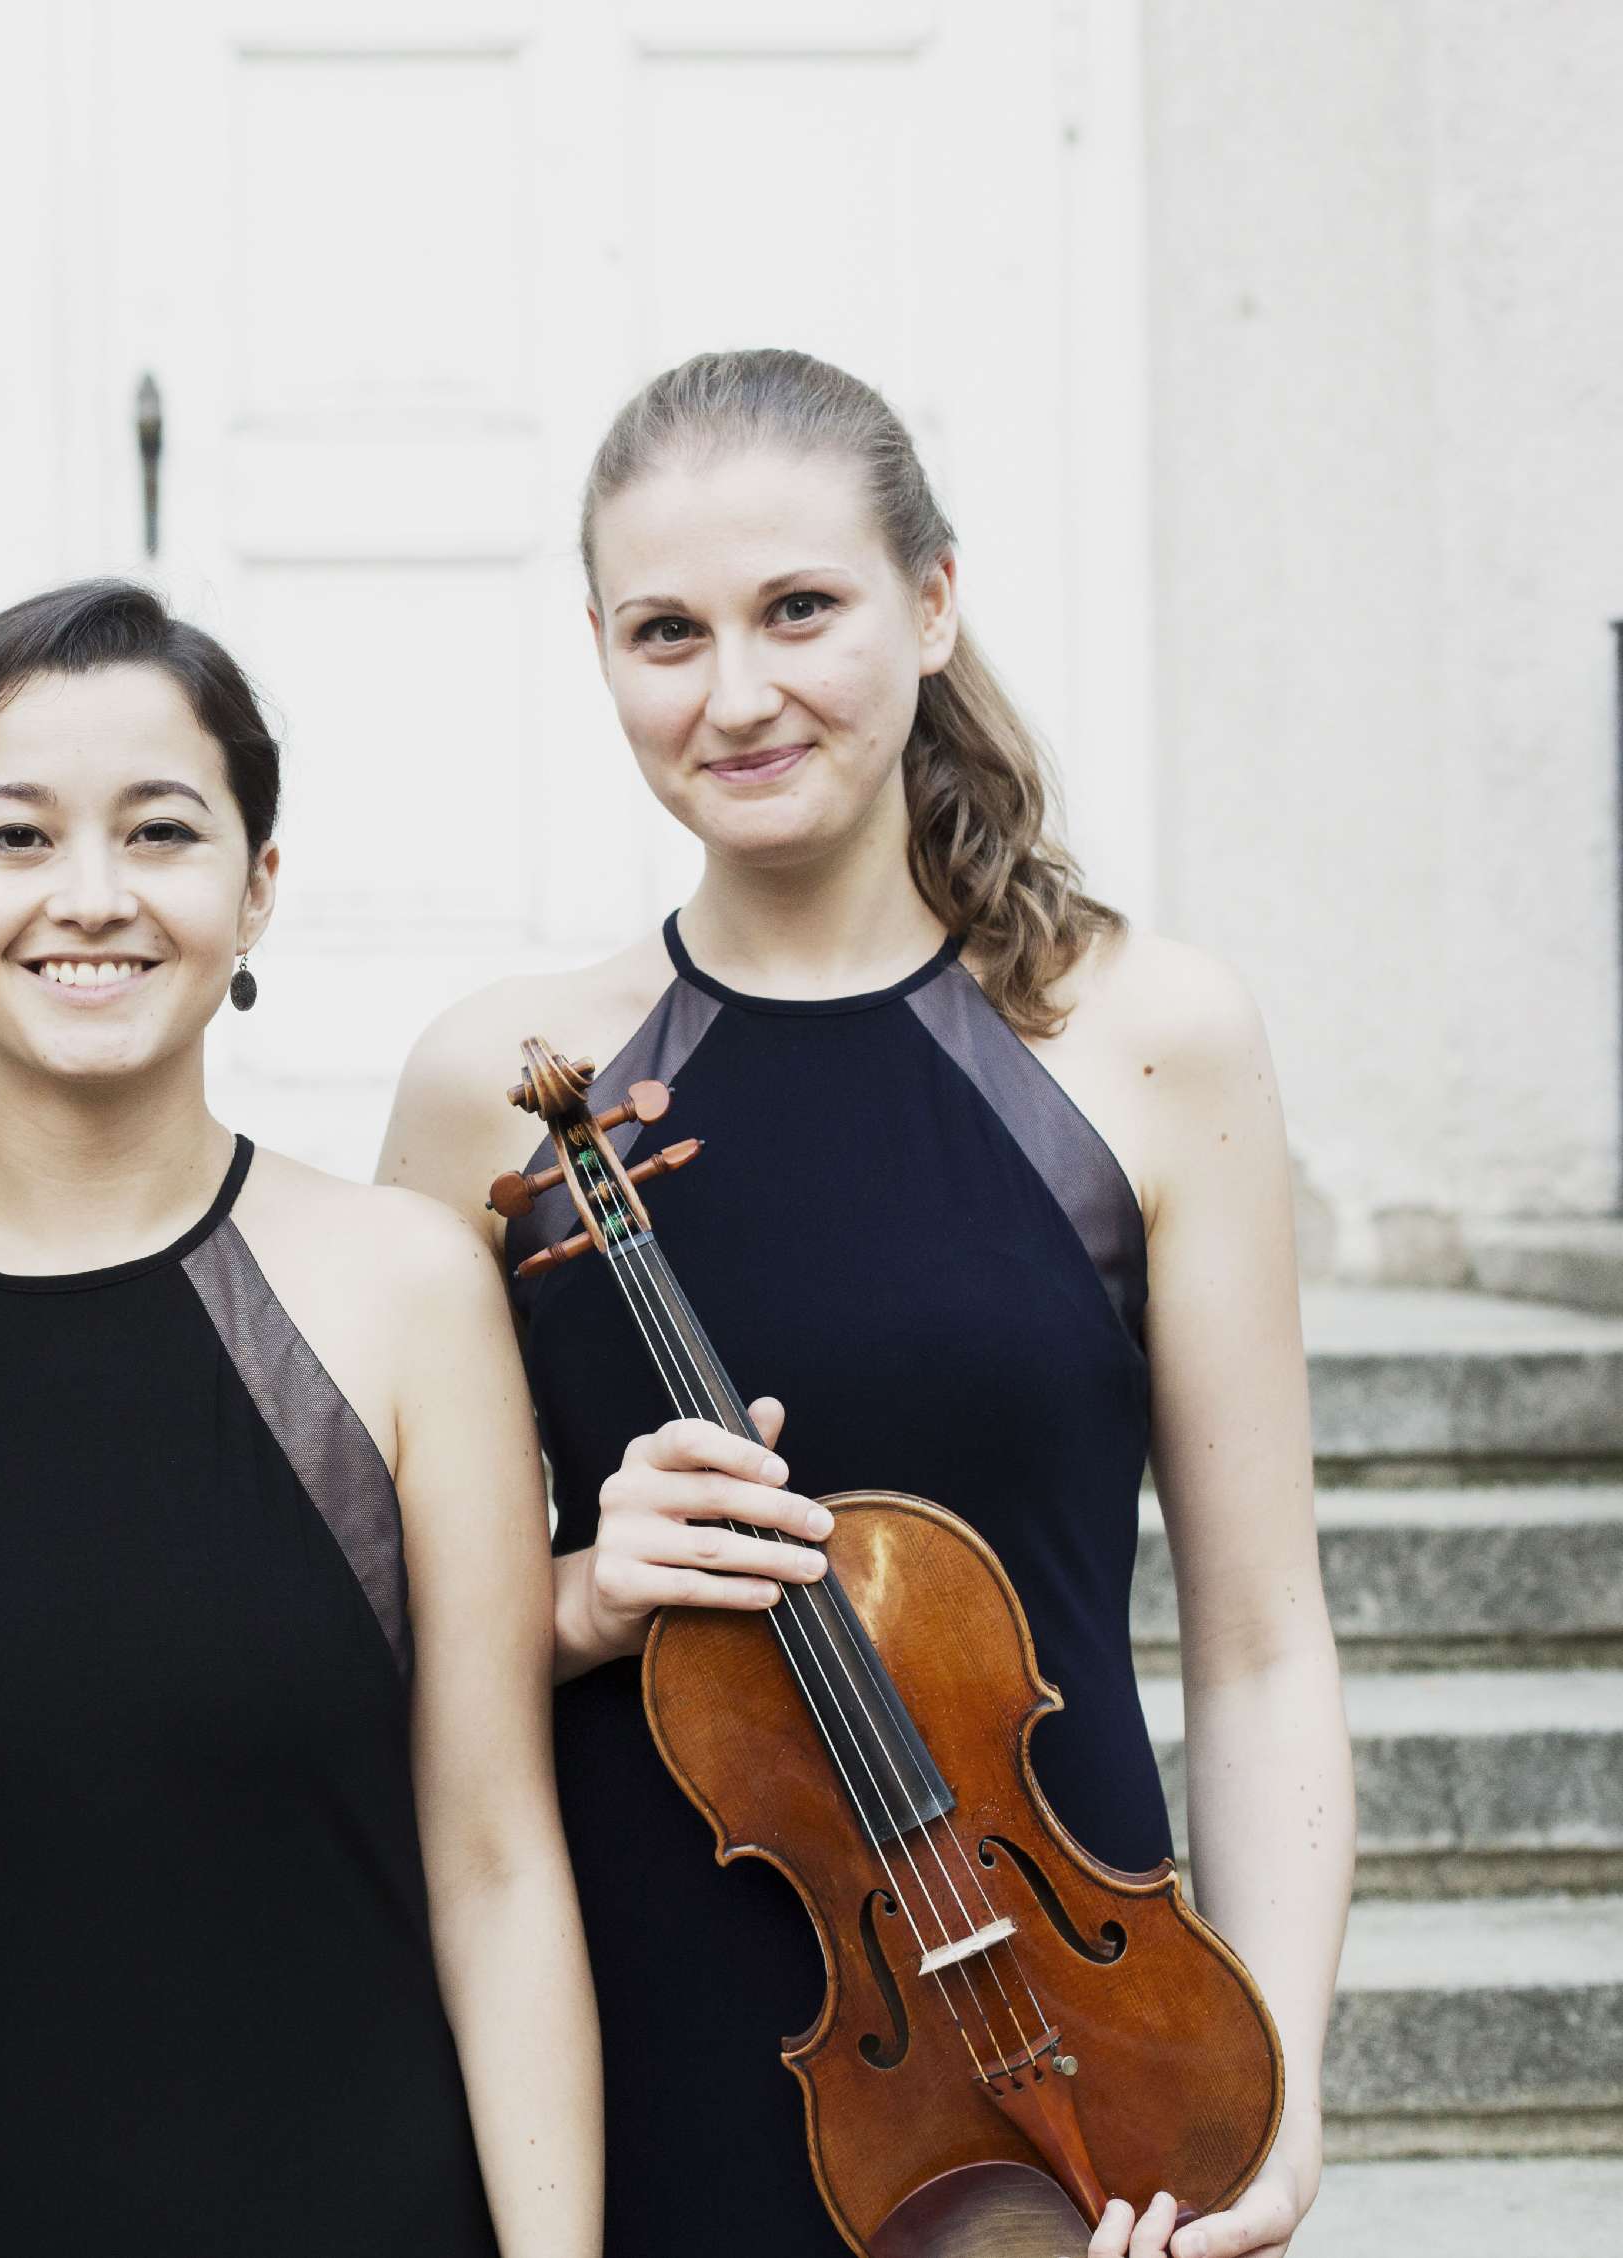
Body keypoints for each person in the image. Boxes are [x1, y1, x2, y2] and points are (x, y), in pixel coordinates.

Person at [380, 348, 1352, 2258]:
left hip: (1069, 2038)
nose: (736, 692)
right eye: (668, 632)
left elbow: (1259, 1645)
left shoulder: (1151, 1039)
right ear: (602, 653)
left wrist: (1279, 2105)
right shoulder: (500, 1081)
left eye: (800, 609)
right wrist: (580, 1593)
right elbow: (372, 1626)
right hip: (630, 2043)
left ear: (933, 601)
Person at [0, 580, 603, 2258]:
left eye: (163, 831)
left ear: (257, 885)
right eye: (16, 837)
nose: (93, 896)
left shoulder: (409, 1288)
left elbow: (495, 1863)